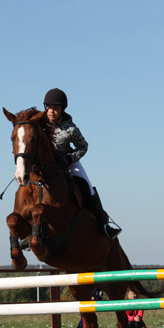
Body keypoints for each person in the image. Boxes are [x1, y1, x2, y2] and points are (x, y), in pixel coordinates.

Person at [42, 87, 121, 239]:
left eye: (56, 108)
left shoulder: (70, 128)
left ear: (62, 109)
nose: (51, 111)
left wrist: (70, 159)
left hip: (67, 163)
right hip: (45, 166)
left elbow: (83, 146)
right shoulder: (39, 125)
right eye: (49, 107)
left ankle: (104, 224)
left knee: (87, 186)